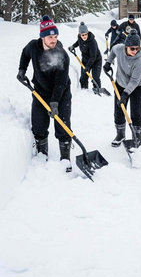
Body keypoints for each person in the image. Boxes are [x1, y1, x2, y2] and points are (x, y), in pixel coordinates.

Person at [17, 15, 72, 171]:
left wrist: (54, 102)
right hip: (40, 91)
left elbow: (60, 83)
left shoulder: (62, 56)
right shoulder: (33, 47)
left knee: (63, 125)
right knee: (39, 124)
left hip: (61, 93)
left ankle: (65, 157)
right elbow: (25, 53)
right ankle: (42, 154)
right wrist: (22, 69)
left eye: (55, 36)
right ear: (42, 37)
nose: (53, 39)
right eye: (50, 37)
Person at [103, 29, 141, 147]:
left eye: (137, 48)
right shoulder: (119, 49)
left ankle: (136, 138)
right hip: (120, 84)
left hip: (137, 87)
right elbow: (112, 50)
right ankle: (120, 135)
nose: (135, 51)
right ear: (126, 46)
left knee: (136, 114)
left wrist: (126, 94)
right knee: (119, 111)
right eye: (132, 48)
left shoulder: (139, 61)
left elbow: (134, 80)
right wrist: (108, 62)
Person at [68, 22, 102, 90]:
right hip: (85, 60)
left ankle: (97, 90)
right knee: (83, 77)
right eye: (82, 35)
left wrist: (88, 66)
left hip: (96, 61)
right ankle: (84, 90)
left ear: (88, 33)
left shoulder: (92, 42)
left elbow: (93, 56)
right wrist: (73, 46)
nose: (84, 36)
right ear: (80, 34)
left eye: (85, 34)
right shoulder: (80, 38)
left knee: (95, 77)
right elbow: (78, 42)